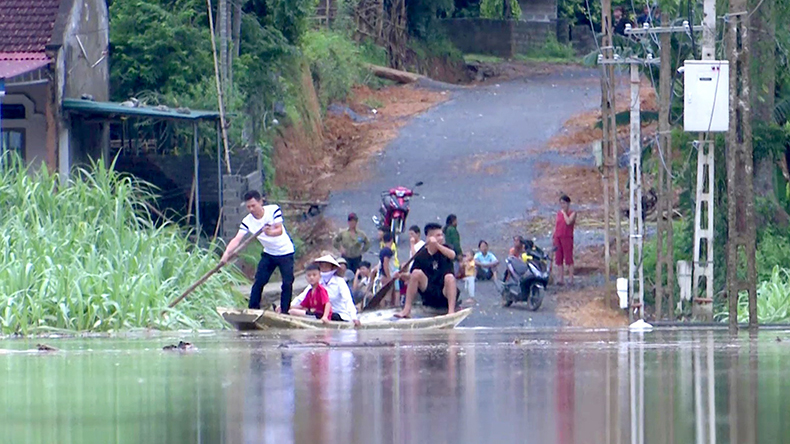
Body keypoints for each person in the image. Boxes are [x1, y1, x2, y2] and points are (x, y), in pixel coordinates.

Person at [221, 190, 295, 312]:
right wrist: (226, 253)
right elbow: (237, 239)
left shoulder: (273, 210)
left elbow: (279, 230)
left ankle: (285, 311)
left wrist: (269, 232)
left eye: (253, 205)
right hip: (269, 253)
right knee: (259, 281)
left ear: (261, 202)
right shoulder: (247, 221)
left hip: (285, 252)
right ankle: (253, 309)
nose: (251, 209)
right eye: (248, 207)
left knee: (287, 283)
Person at [395, 223, 458, 318]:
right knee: (416, 273)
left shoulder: (446, 249)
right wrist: (401, 276)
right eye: (438, 235)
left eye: (441, 235)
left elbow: (452, 255)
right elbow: (412, 276)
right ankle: (406, 310)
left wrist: (437, 245)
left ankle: (451, 311)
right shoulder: (421, 255)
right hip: (429, 291)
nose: (441, 238)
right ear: (429, 238)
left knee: (450, 277)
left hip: (444, 292)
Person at [292, 255, 361, 325]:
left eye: (326, 266)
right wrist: (287, 306)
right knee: (295, 311)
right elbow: (301, 298)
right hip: (321, 313)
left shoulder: (339, 281)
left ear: (332, 268)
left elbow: (347, 300)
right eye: (322, 266)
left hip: (339, 314)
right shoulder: (317, 282)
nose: (324, 269)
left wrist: (354, 317)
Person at [553, 194, 577, 285]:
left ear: (568, 203)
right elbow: (557, 225)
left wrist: (564, 213)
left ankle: (571, 278)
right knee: (558, 258)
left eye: (564, 203)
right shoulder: (559, 213)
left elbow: (568, 222)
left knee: (568, 258)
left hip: (567, 237)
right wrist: (554, 236)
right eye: (561, 203)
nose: (562, 205)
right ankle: (561, 278)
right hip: (558, 236)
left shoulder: (572, 213)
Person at [378, 232, 400, 306]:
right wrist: (388, 276)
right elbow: (386, 264)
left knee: (383, 293)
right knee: (388, 294)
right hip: (388, 274)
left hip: (383, 274)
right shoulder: (388, 251)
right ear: (391, 240)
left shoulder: (382, 250)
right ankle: (387, 308)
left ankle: (383, 307)